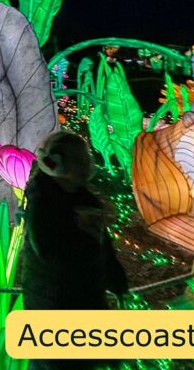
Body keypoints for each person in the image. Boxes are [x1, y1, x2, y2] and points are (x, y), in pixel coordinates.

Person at [19, 130, 128, 370]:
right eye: (80, 160)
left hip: (84, 301)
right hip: (54, 308)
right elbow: (49, 250)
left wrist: (114, 276)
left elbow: (100, 243)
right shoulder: (42, 202)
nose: (86, 165)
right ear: (56, 165)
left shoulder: (82, 198)